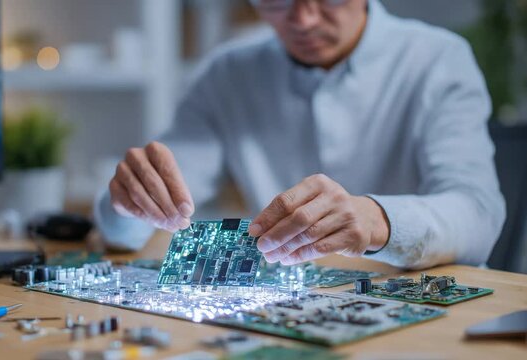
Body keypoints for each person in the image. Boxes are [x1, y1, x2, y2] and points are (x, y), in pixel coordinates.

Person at [95, 0, 506, 269]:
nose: (304, 19)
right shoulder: (227, 74)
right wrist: (130, 204)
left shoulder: (439, 58)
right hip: (287, 315)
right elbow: (133, 225)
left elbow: (479, 216)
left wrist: (378, 219)